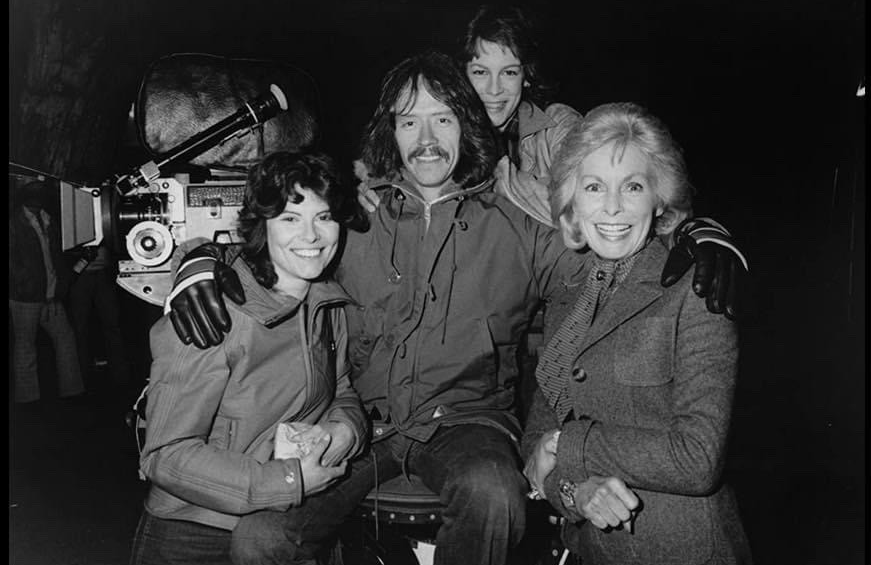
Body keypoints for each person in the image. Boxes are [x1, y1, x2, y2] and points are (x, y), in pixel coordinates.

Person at [163, 51, 747, 565]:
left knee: (495, 494)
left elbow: (613, 254)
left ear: (466, 127)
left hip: (469, 426)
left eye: (442, 118)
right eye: (408, 120)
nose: (425, 138)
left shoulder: (522, 228)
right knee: (263, 539)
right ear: (387, 131)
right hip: (362, 428)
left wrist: (696, 229)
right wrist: (197, 265)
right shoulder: (350, 219)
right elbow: (275, 247)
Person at [522, 102, 752, 564]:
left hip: (681, 550)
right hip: (592, 550)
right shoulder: (568, 298)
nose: (611, 207)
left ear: (658, 200)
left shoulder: (695, 288)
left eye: (632, 186)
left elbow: (698, 458)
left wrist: (573, 446)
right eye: (593, 187)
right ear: (572, 203)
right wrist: (575, 493)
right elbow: (537, 441)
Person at [130, 151, 368, 565]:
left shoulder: (325, 306)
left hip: (283, 527)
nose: (311, 236)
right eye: (291, 219)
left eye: (324, 217)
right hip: (195, 533)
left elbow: (343, 390)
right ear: (262, 226)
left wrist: (342, 433)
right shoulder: (213, 311)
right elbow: (165, 454)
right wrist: (288, 480)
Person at [461, 3, 582, 227]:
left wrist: (499, 176)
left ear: (526, 76)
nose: (494, 89)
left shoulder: (558, 126)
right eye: (480, 72)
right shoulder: (444, 133)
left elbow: (582, 212)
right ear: (463, 78)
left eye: (508, 72)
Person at [9, 180, 84, 405]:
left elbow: (56, 258)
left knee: (64, 339)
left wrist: (59, 286)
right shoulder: (14, 223)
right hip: (25, 296)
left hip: (49, 294)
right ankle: (28, 398)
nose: (37, 198)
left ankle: (72, 392)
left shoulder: (48, 219)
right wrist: (24, 282)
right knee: (25, 346)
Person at [68, 242, 133, 397]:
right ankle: (81, 379)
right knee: (79, 328)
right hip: (80, 274)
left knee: (113, 325)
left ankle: (121, 376)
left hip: (103, 273)